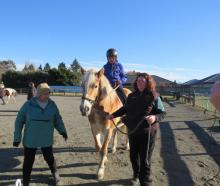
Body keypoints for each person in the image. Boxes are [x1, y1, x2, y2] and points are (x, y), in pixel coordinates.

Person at [106, 73, 166, 186]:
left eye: (143, 81)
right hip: (133, 132)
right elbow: (125, 109)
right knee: (133, 156)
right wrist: (113, 115)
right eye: (138, 81)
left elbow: (162, 112)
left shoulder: (154, 95)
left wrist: (155, 117)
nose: (140, 83)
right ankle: (136, 176)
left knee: (145, 159)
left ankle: (145, 181)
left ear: (148, 82)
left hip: (147, 133)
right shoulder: (132, 96)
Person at [13, 83, 68, 186]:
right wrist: (17, 138)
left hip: (46, 137)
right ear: (38, 94)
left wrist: (62, 130)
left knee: (49, 158)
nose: (47, 96)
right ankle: (26, 181)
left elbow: (57, 119)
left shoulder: (52, 105)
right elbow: (19, 121)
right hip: (31, 138)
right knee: (28, 161)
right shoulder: (28, 105)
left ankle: (55, 174)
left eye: (48, 93)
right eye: (45, 94)